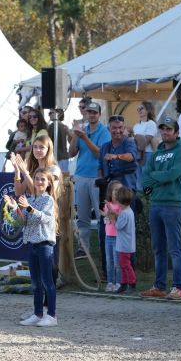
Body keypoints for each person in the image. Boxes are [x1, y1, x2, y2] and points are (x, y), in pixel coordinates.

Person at [140, 116, 181, 301]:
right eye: (162, 129)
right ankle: (159, 286)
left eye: (169, 129)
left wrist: (155, 176)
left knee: (174, 248)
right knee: (158, 248)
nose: (165, 132)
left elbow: (172, 175)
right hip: (155, 204)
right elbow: (145, 179)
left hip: (174, 204)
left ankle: (178, 287)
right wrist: (156, 177)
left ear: (176, 133)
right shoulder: (156, 154)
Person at [4, 169, 58, 327]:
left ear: (48, 183)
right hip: (32, 245)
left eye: (43, 179)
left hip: (45, 245)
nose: (39, 182)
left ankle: (52, 315)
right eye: (37, 179)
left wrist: (28, 208)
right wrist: (14, 207)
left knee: (48, 281)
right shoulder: (31, 199)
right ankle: (38, 313)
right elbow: (22, 222)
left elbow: (45, 219)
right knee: (35, 283)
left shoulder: (48, 200)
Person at [68, 101, 111, 258]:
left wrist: (85, 138)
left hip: (96, 177)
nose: (92, 115)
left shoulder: (104, 131)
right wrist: (75, 135)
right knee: (83, 216)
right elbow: (71, 153)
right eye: (89, 112)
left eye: (94, 112)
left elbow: (100, 154)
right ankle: (83, 248)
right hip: (81, 175)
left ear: (99, 115)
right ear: (86, 114)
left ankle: (104, 247)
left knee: (101, 215)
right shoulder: (83, 130)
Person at [99, 180, 124, 292]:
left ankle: (118, 282)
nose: (118, 193)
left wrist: (111, 211)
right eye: (116, 190)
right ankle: (110, 282)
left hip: (118, 237)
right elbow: (107, 218)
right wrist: (105, 213)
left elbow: (119, 216)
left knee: (117, 262)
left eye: (120, 190)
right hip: (108, 237)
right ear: (110, 192)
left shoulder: (121, 206)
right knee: (109, 261)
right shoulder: (107, 205)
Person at [113, 186, 137, 294]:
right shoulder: (129, 211)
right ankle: (124, 283)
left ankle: (131, 283)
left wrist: (113, 219)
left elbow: (118, 226)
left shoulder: (124, 213)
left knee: (125, 265)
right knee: (123, 264)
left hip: (124, 245)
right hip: (127, 244)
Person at [132, 101, 158, 168]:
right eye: (138, 108)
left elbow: (145, 142)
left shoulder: (151, 123)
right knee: (138, 177)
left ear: (148, 110)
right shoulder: (136, 126)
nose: (139, 110)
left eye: (142, 108)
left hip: (148, 154)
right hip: (137, 154)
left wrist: (134, 139)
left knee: (146, 177)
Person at [47, 108, 73, 173]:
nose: (49, 115)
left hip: (54, 157)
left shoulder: (51, 126)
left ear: (58, 114)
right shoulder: (65, 126)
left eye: (50, 113)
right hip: (64, 157)